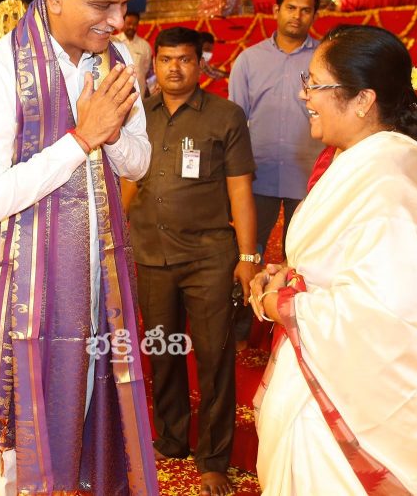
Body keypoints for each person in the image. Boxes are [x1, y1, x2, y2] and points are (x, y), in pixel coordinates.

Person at [250, 25, 417, 495]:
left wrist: (285, 302)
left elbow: (389, 315)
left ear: (362, 100)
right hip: (323, 368)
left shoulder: (391, 177)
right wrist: (290, 276)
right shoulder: (357, 158)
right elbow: (343, 263)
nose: (305, 96)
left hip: (358, 395)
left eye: (315, 84)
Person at [0, 0, 158, 495]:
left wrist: (110, 133)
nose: (118, 21)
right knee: (11, 448)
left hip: (101, 279)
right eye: (102, 4)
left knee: (93, 412)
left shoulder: (116, 62)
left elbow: (138, 163)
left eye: (123, 3)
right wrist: (81, 138)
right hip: (19, 286)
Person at [128, 26, 257, 496]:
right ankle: (174, 437)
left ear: (200, 64)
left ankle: (214, 459)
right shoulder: (138, 115)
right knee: (162, 352)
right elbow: (128, 179)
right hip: (151, 255)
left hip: (208, 257)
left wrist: (247, 256)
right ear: (154, 64)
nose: (174, 69)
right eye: (165, 60)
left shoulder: (226, 116)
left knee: (214, 357)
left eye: (184, 59)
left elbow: (240, 187)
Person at [227, 0, 325, 349]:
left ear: (314, 14)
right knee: (245, 256)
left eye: (305, 9)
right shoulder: (249, 60)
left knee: (301, 259)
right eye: (291, 7)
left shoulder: (324, 61)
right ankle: (237, 329)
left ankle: (287, 338)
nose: (297, 16)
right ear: (276, 10)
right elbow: (235, 123)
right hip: (258, 177)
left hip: (309, 178)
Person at [116, 10, 154, 94]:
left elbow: (146, 68)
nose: (131, 27)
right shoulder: (114, 42)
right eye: (129, 23)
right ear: (123, 23)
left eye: (134, 24)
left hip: (139, 90)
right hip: (117, 89)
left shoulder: (144, 45)